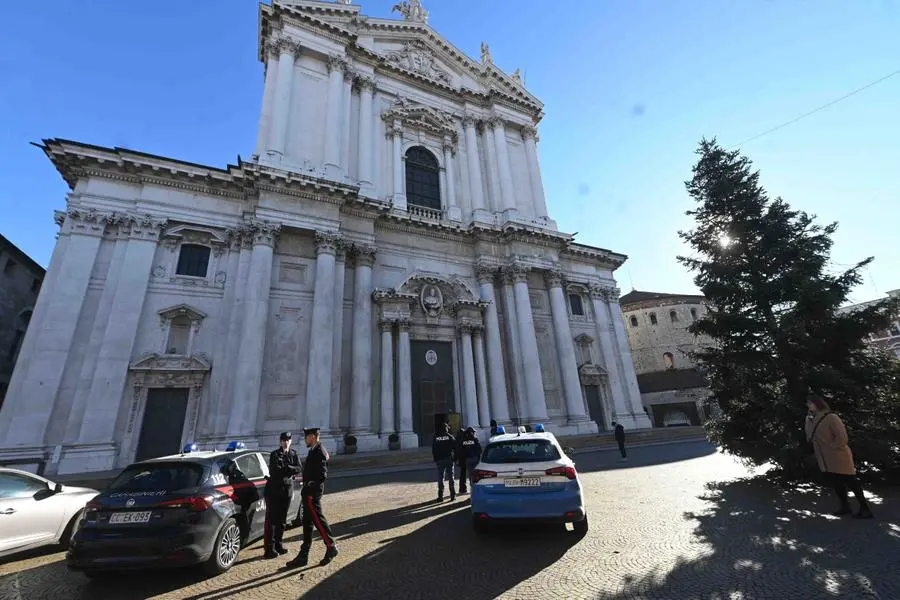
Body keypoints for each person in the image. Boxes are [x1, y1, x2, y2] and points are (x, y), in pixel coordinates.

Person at [805, 394, 873, 519]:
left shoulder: (831, 417)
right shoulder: (810, 418)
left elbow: (842, 437)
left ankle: (865, 508)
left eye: (810, 403)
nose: (808, 405)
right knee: (836, 482)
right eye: (808, 403)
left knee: (851, 481)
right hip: (824, 457)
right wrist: (809, 419)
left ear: (817, 403)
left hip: (838, 455)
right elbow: (809, 435)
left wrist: (832, 446)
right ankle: (845, 506)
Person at [286, 427, 338, 568]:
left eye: (307, 437)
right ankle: (303, 556)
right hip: (308, 491)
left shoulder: (319, 451)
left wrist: (310, 484)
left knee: (318, 520)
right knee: (307, 525)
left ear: (314, 437)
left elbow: (322, 474)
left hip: (311, 493)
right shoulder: (314, 450)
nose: (305, 440)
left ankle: (331, 546)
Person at [264, 432, 301, 559]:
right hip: (275, 490)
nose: (286, 442)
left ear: (291, 441)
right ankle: (269, 548)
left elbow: (299, 468)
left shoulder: (293, 454)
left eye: (288, 440)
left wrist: (287, 467)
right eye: (284, 440)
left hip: (287, 490)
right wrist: (290, 469)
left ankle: (279, 544)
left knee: (282, 520)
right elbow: (275, 471)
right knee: (273, 520)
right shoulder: (275, 454)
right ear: (280, 441)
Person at [432, 422, 456, 501]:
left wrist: (436, 459)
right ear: (446, 428)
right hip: (449, 459)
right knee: (451, 477)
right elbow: (455, 448)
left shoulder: (436, 437)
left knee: (440, 477)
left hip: (440, 459)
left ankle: (440, 496)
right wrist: (454, 458)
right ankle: (452, 495)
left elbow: (434, 450)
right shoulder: (450, 437)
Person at [460, 427, 483, 491]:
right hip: (475, 459)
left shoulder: (463, 441)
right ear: (471, 433)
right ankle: (477, 488)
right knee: (477, 474)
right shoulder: (475, 439)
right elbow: (480, 450)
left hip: (468, 459)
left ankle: (472, 488)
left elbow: (462, 451)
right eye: (473, 432)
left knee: (470, 475)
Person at [455, 425, 469, 494]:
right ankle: (464, 488)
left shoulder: (457, 441)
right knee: (468, 474)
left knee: (462, 474)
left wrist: (456, 459)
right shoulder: (464, 440)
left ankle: (462, 489)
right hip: (465, 458)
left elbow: (456, 451)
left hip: (461, 459)